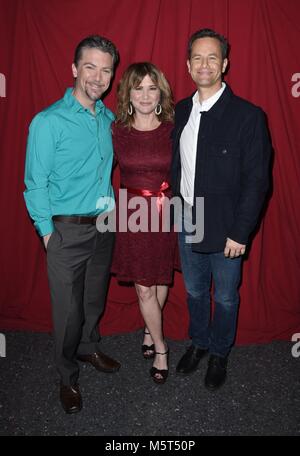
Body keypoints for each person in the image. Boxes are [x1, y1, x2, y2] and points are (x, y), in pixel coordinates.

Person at [24, 35, 121, 414]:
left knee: (93, 299)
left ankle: (88, 348)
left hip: (104, 227)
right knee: (67, 312)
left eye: (106, 69)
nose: (98, 77)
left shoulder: (110, 119)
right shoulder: (48, 122)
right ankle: (67, 377)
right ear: (75, 70)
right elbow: (35, 183)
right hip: (65, 230)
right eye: (90, 67)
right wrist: (48, 234)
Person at [171, 29, 271, 389]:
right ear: (187, 64)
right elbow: (176, 165)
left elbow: (257, 181)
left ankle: (219, 353)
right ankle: (198, 343)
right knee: (195, 291)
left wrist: (240, 232)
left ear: (225, 64)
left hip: (229, 227)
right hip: (188, 219)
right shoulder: (181, 110)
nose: (204, 64)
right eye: (197, 57)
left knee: (226, 296)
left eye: (213, 57)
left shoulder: (248, 116)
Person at [112, 62, 177, 384]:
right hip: (132, 214)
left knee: (161, 277)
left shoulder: (173, 128)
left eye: (152, 88)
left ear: (160, 92)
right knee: (144, 286)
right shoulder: (116, 131)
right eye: (139, 88)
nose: (146, 95)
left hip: (166, 211)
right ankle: (162, 348)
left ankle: (150, 333)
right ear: (128, 94)